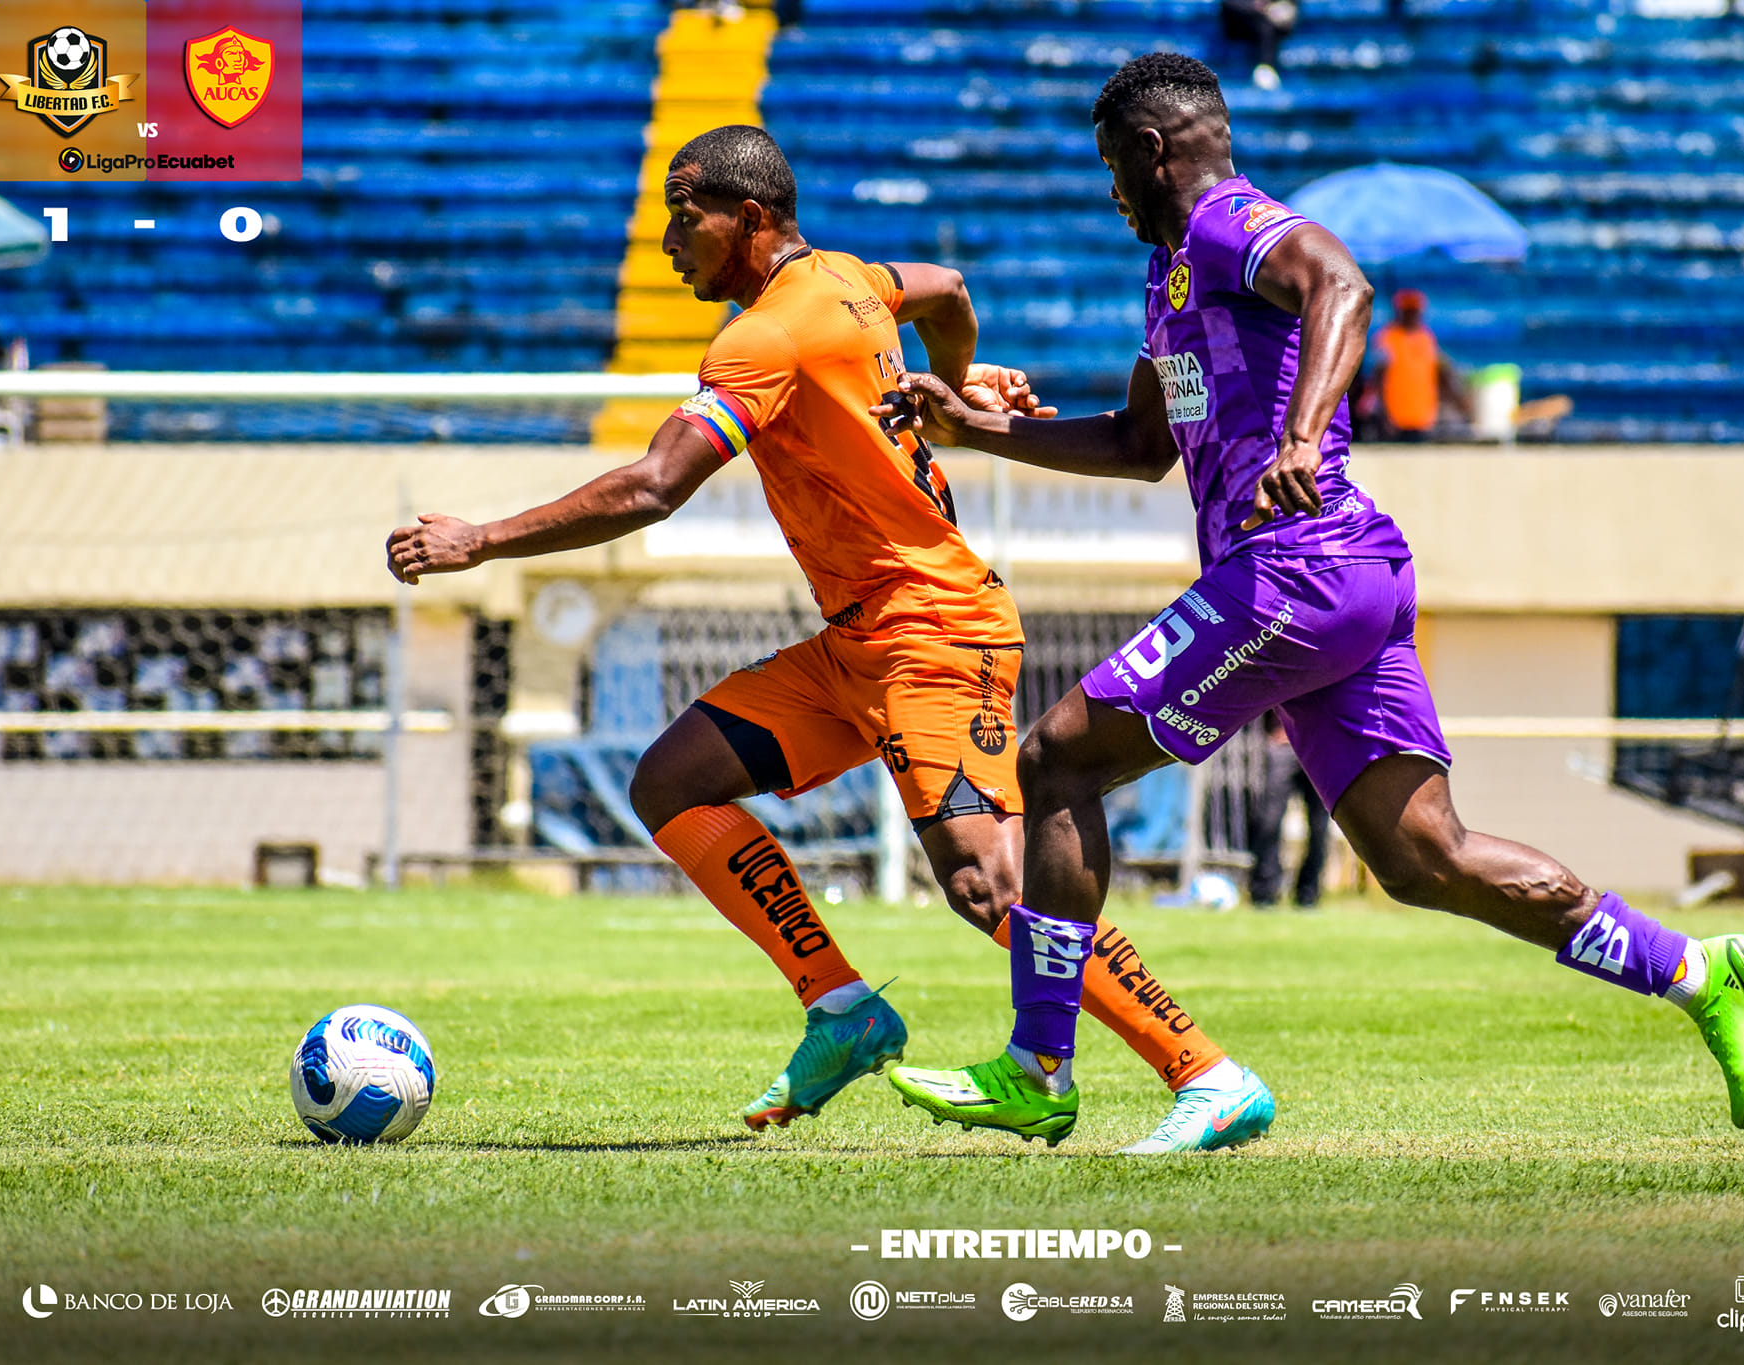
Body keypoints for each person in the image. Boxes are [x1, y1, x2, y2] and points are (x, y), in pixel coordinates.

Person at [880, 54, 1744, 1149]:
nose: (1108, 188)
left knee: (1055, 759)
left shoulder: (1224, 223)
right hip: (1338, 578)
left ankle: (1037, 1064)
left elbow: (1336, 283)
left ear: (1153, 149)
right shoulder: (1169, 278)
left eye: (1113, 163)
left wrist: (1301, 436)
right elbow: (1136, 444)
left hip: (1293, 566)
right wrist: (973, 429)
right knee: (1420, 859)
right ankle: (1690, 970)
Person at [384, 125, 1268, 1150]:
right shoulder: (851, 280)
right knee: (670, 782)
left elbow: (654, 486)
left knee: (989, 887)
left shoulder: (759, 341)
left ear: (748, 220)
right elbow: (946, 288)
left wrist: (482, 539)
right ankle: (842, 1009)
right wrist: (955, 388)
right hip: (857, 642)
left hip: (931, 635)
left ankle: (1204, 1072)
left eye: (687, 218)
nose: (672, 243)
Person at [1368, 288, 1472, 441]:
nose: (1412, 315)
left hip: (1422, 416)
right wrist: (1383, 413)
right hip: (1395, 416)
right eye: (1408, 311)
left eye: (1414, 311)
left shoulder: (1426, 338)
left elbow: (1441, 372)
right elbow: (1378, 377)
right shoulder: (1387, 338)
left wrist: (1459, 403)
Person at [1246, 717, 1328, 909]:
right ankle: (1264, 893)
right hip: (1282, 746)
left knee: (1319, 829)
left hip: (1321, 748)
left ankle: (1308, 895)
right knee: (1268, 822)